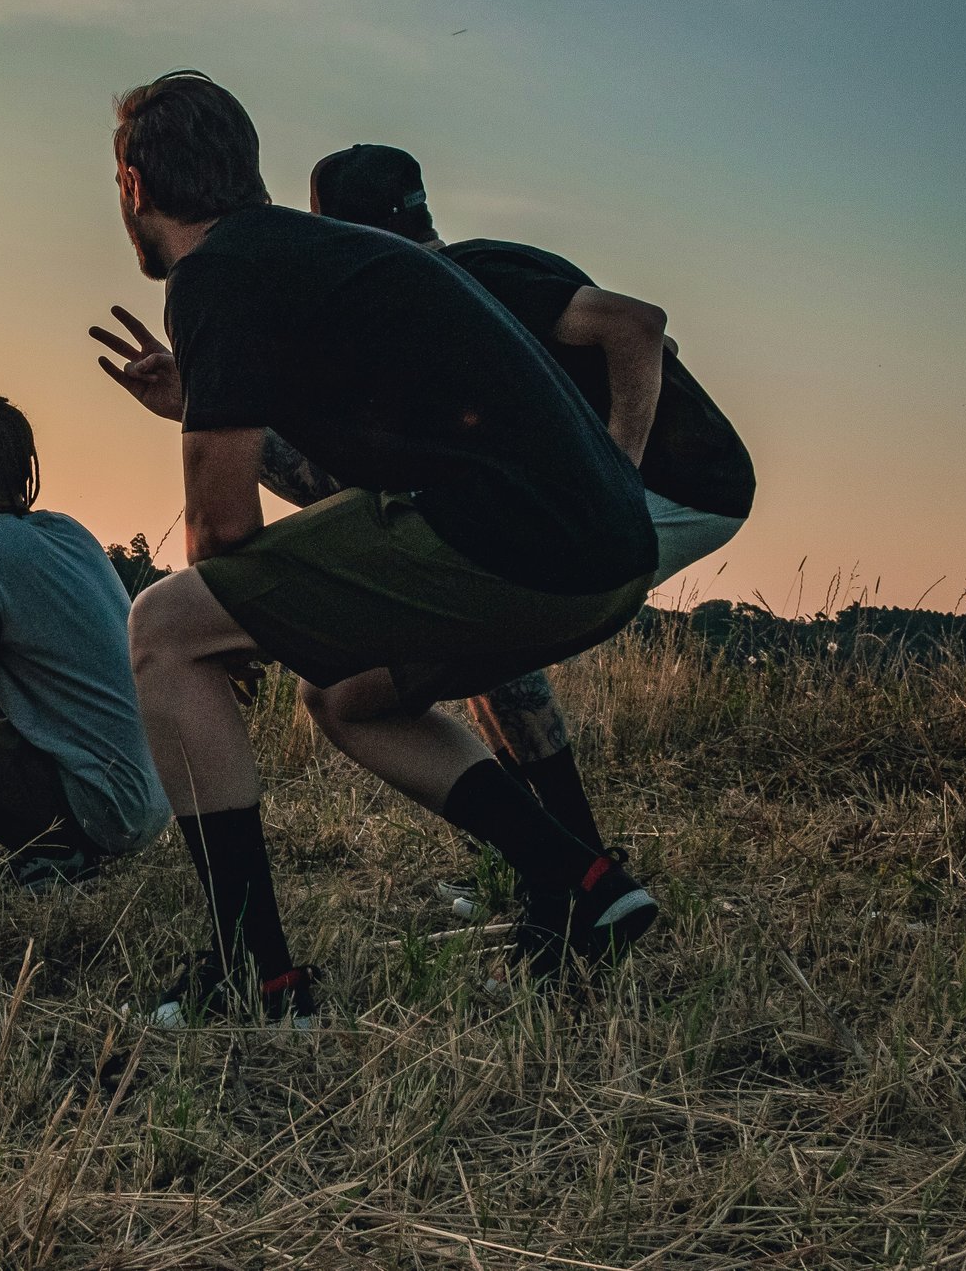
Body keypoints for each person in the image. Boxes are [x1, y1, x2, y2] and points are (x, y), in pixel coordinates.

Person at [88, 71, 662, 1028]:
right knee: (349, 696)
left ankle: (255, 978)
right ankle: (583, 877)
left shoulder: (217, 272)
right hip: (603, 548)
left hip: (509, 534)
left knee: (163, 626)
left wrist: (232, 638)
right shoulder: (306, 255)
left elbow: (222, 536)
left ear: (136, 188)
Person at [306, 143, 755, 892]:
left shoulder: (477, 280)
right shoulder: (480, 272)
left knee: (455, 628)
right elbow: (651, 342)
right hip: (691, 483)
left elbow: (641, 329)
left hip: (688, 488)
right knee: (494, 623)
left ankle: (566, 863)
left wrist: (611, 473)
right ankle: (570, 859)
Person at [0, 392, 168, 889]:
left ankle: (56, 852)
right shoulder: (69, 532)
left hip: (104, 806)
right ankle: (59, 845)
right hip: (149, 798)